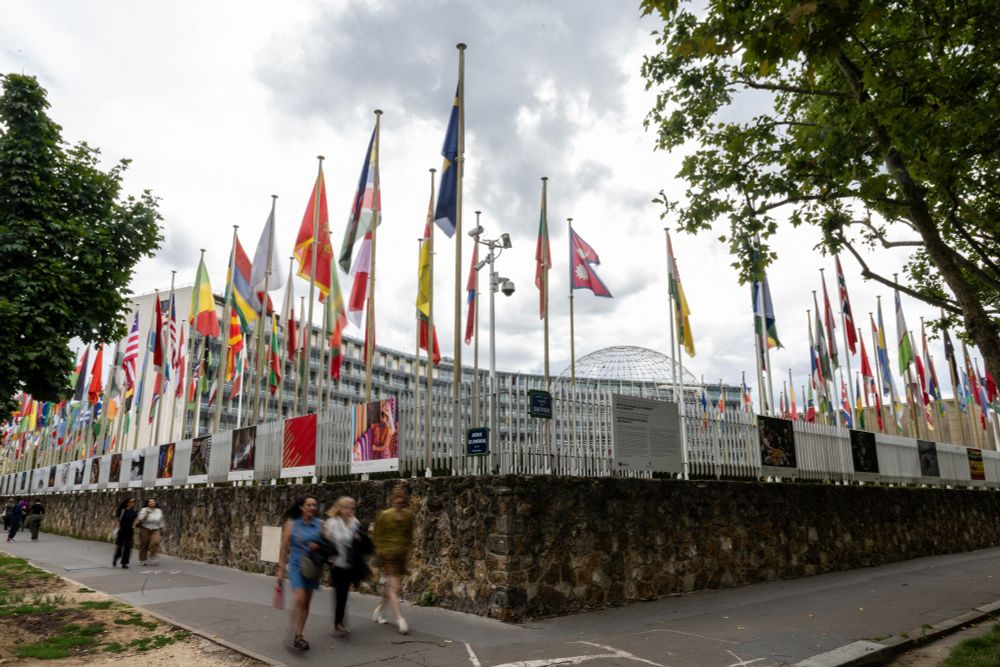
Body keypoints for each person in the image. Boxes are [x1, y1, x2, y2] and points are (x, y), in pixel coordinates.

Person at [277, 496, 324, 651]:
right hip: (297, 566)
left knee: (306, 602)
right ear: (302, 507)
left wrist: (319, 546)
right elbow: (284, 548)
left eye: (314, 505)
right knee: (299, 598)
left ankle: (298, 635)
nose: (312, 507)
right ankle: (295, 632)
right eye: (309, 505)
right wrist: (281, 570)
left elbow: (329, 545)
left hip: (312, 568)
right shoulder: (292, 524)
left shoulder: (320, 524)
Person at [324, 496, 372, 637]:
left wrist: (359, 538)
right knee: (340, 594)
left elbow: (361, 543)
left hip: (350, 563)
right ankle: (339, 622)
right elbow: (326, 543)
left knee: (344, 593)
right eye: (346, 507)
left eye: (352, 508)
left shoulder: (355, 523)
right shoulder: (331, 523)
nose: (349, 510)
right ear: (339, 508)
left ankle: (340, 621)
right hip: (336, 564)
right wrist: (330, 557)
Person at [372, 487, 415, 634]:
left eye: (401, 503)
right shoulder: (384, 515)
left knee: (389, 587)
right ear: (392, 502)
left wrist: (407, 552)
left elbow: (409, 536)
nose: (399, 506)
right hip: (386, 556)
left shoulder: (409, 516)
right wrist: (377, 556)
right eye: (396, 503)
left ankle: (379, 611)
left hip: (400, 556)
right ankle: (400, 619)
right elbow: (377, 536)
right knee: (395, 588)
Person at [134, 498, 164, 566]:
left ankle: (152, 555)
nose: (152, 503)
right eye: (150, 502)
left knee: (155, 542)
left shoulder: (159, 510)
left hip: (155, 528)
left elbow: (161, 520)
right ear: (147, 503)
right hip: (145, 528)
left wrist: (162, 529)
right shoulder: (144, 509)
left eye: (153, 502)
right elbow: (141, 520)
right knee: (144, 544)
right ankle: (142, 560)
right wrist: (146, 514)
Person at [113, 498, 138, 568]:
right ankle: (116, 557)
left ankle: (124, 563)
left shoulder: (134, 512)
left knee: (128, 547)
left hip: (129, 531)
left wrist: (133, 525)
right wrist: (118, 525)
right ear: (127, 502)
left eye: (134, 502)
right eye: (131, 502)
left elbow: (136, 520)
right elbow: (117, 518)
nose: (133, 503)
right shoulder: (121, 510)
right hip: (121, 530)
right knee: (119, 546)